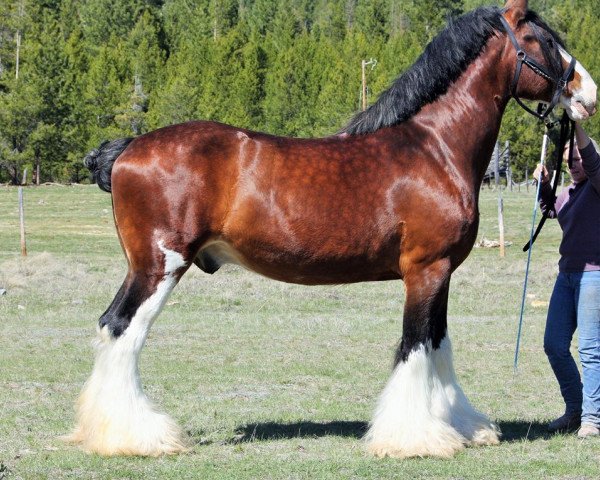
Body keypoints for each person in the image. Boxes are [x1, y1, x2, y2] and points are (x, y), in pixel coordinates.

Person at [533, 123, 600, 438]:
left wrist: (575, 123)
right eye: (567, 161)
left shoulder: (598, 183)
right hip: (567, 275)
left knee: (589, 348)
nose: (571, 165)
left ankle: (592, 418)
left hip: (593, 276)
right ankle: (575, 409)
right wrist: (544, 186)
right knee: (554, 344)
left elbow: (592, 159)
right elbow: (550, 210)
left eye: (575, 159)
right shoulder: (568, 193)